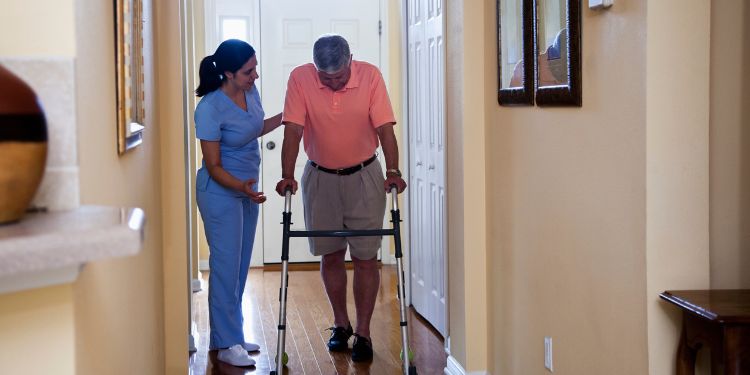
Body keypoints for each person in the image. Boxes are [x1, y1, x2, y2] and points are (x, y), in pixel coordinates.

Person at [275, 34, 407, 362]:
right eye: (326, 77)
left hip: (365, 176)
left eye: (339, 77)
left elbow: (385, 130)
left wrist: (393, 169)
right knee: (330, 254)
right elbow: (292, 130)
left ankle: (363, 331)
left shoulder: (370, 76)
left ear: (351, 61)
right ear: (315, 68)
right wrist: (287, 174)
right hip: (319, 177)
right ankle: (340, 324)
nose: (333, 83)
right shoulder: (300, 78)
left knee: (365, 257)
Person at [194, 39, 282, 367]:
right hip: (220, 192)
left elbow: (254, 127)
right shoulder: (209, 108)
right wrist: (242, 189)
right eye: (248, 71)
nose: (255, 75)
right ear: (228, 73)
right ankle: (228, 343)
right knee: (225, 268)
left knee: (240, 267)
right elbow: (214, 166)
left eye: (255, 68)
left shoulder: (249, 93)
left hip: (247, 190)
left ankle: (230, 336)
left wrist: (288, 116)